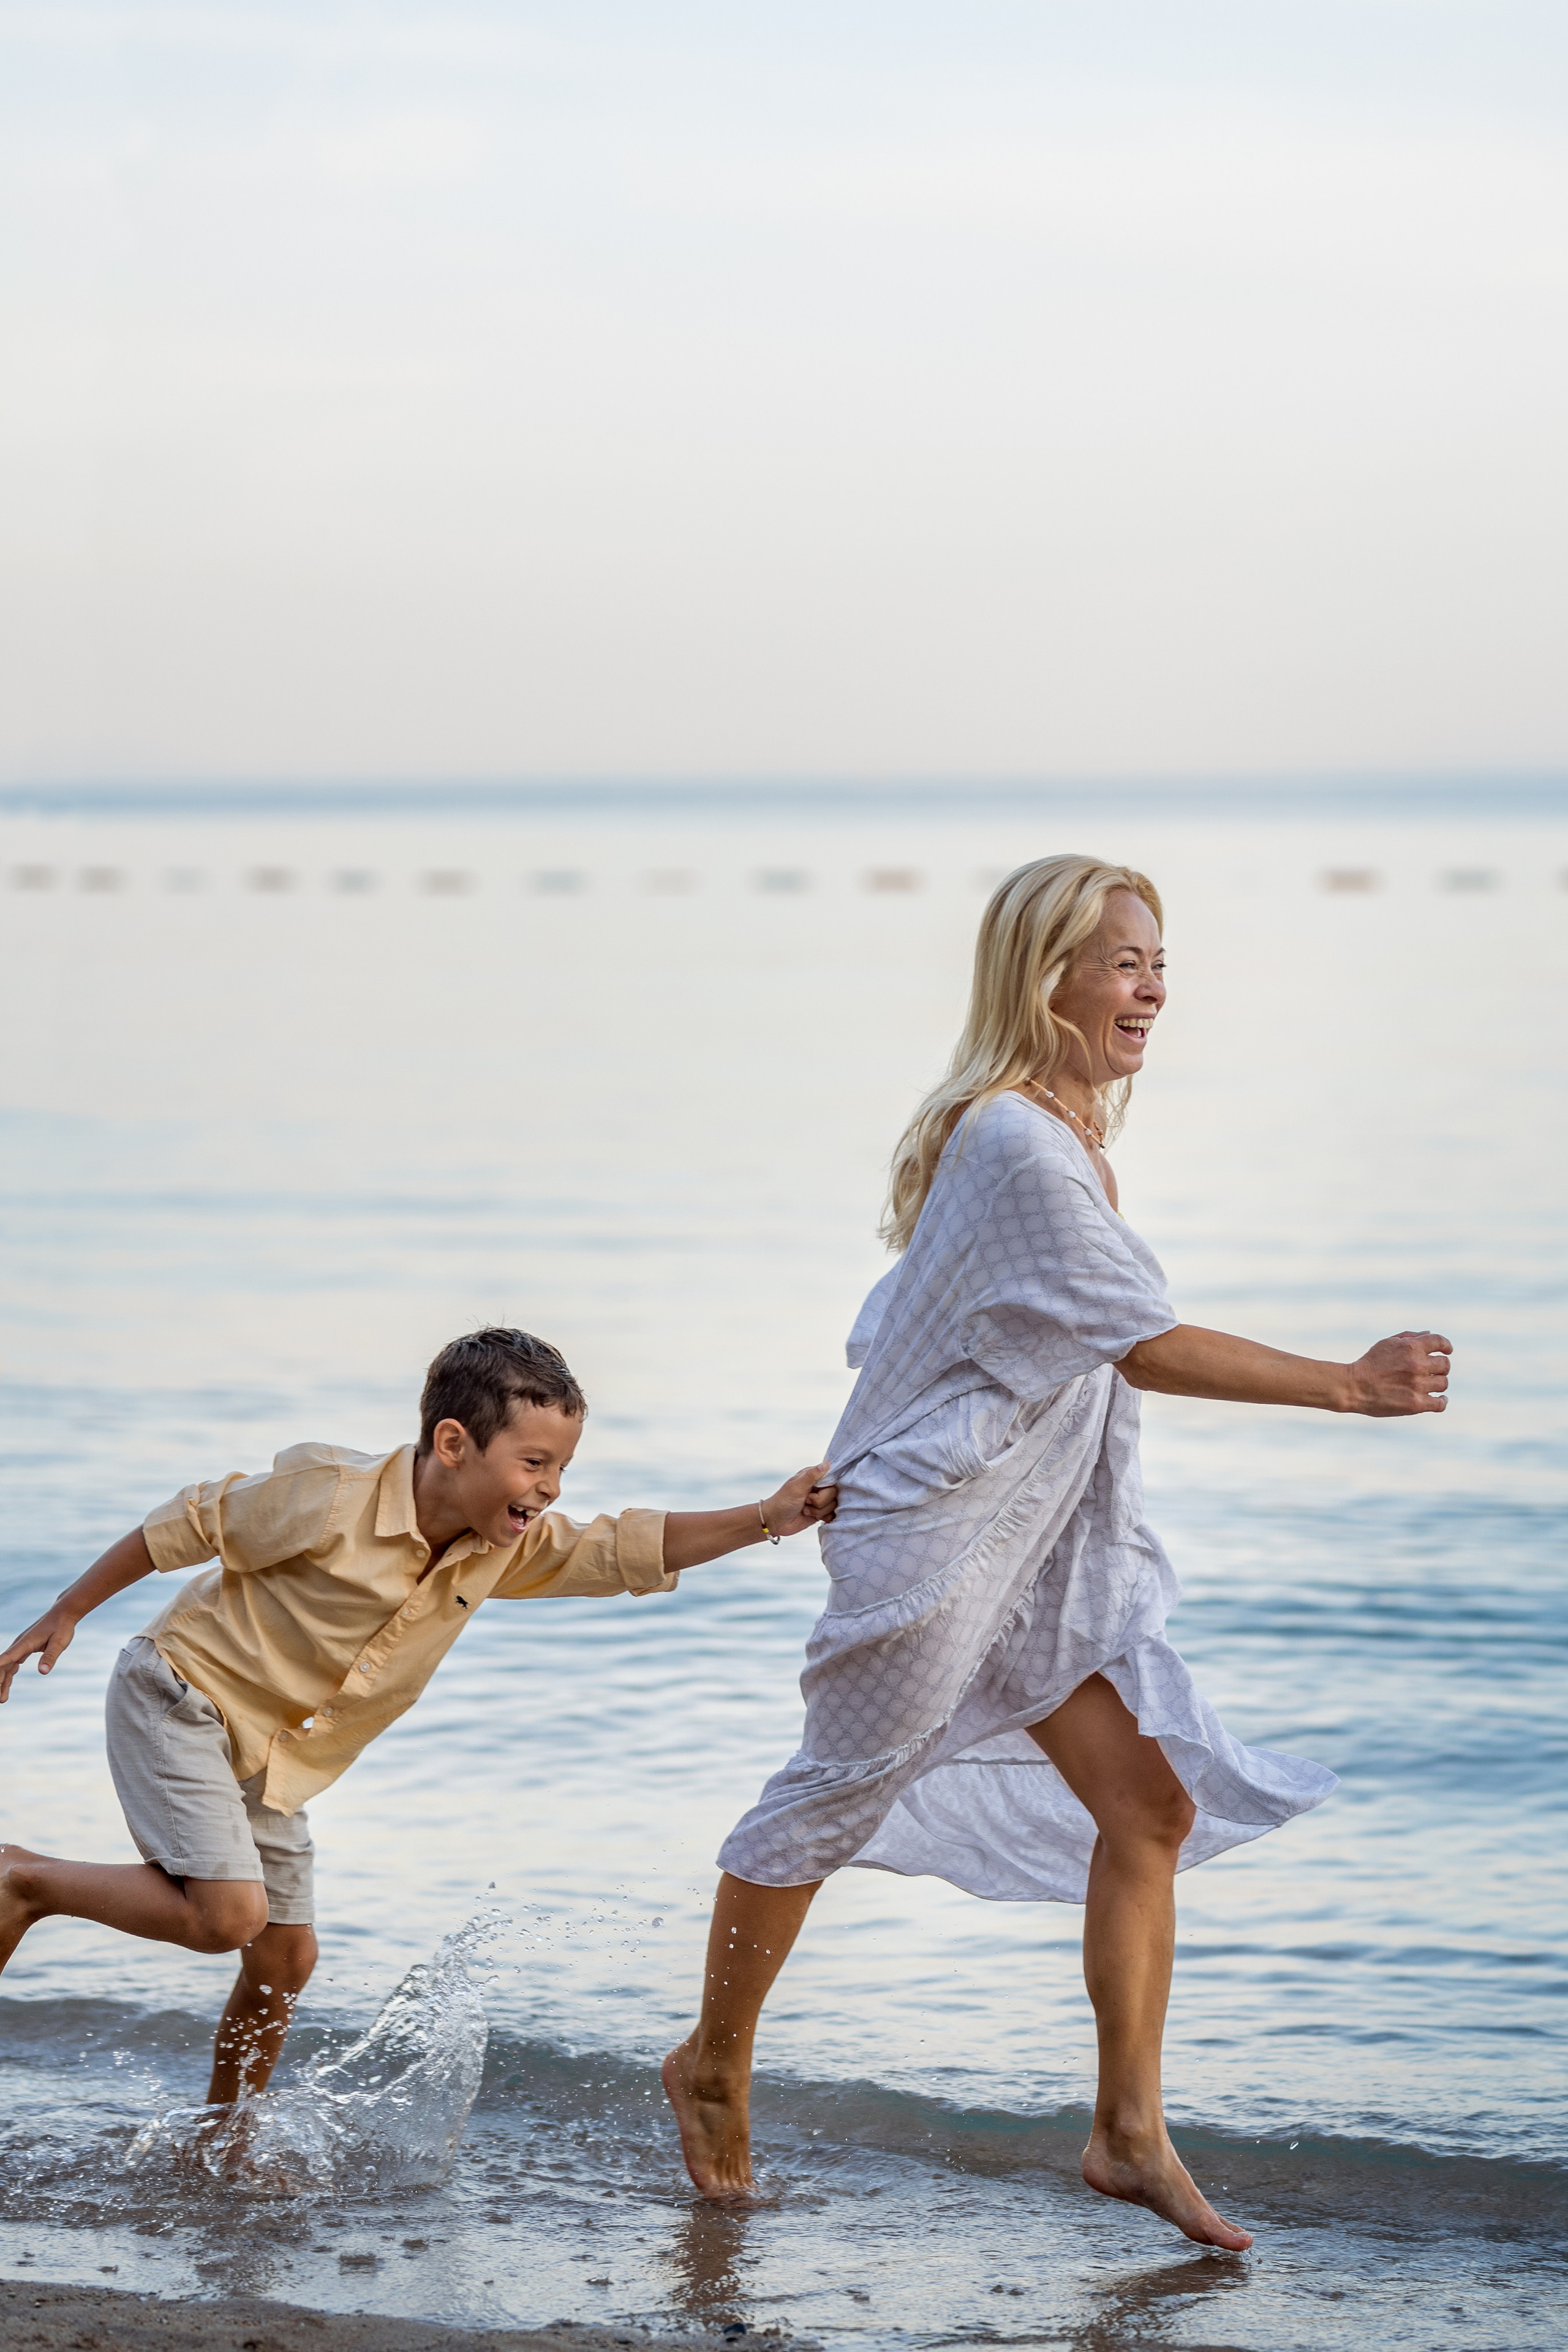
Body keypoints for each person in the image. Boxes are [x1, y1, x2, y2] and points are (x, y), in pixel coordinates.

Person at [663, 854, 1450, 2250]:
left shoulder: (1056, 1123)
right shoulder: (1019, 1144)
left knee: (1147, 1808)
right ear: (1047, 979)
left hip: (1027, 1536)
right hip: (938, 1535)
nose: (1153, 985)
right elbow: (1135, 1342)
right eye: (1125, 961)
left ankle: (1124, 2135)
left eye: (1158, 961)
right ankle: (712, 2061)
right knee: (828, 1799)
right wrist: (1347, 1383)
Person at [0, 1327, 836, 2106]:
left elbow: (623, 1550)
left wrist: (767, 1518)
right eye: (534, 1463)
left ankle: (226, 2138)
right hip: (181, 1696)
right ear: (452, 1444)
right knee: (228, 1918)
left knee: (285, 1958)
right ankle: (23, 1880)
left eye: (562, 1472)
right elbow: (185, 1525)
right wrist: (67, 1610)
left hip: (275, 1750)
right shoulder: (328, 1498)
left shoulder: (501, 1545)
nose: (547, 1490)